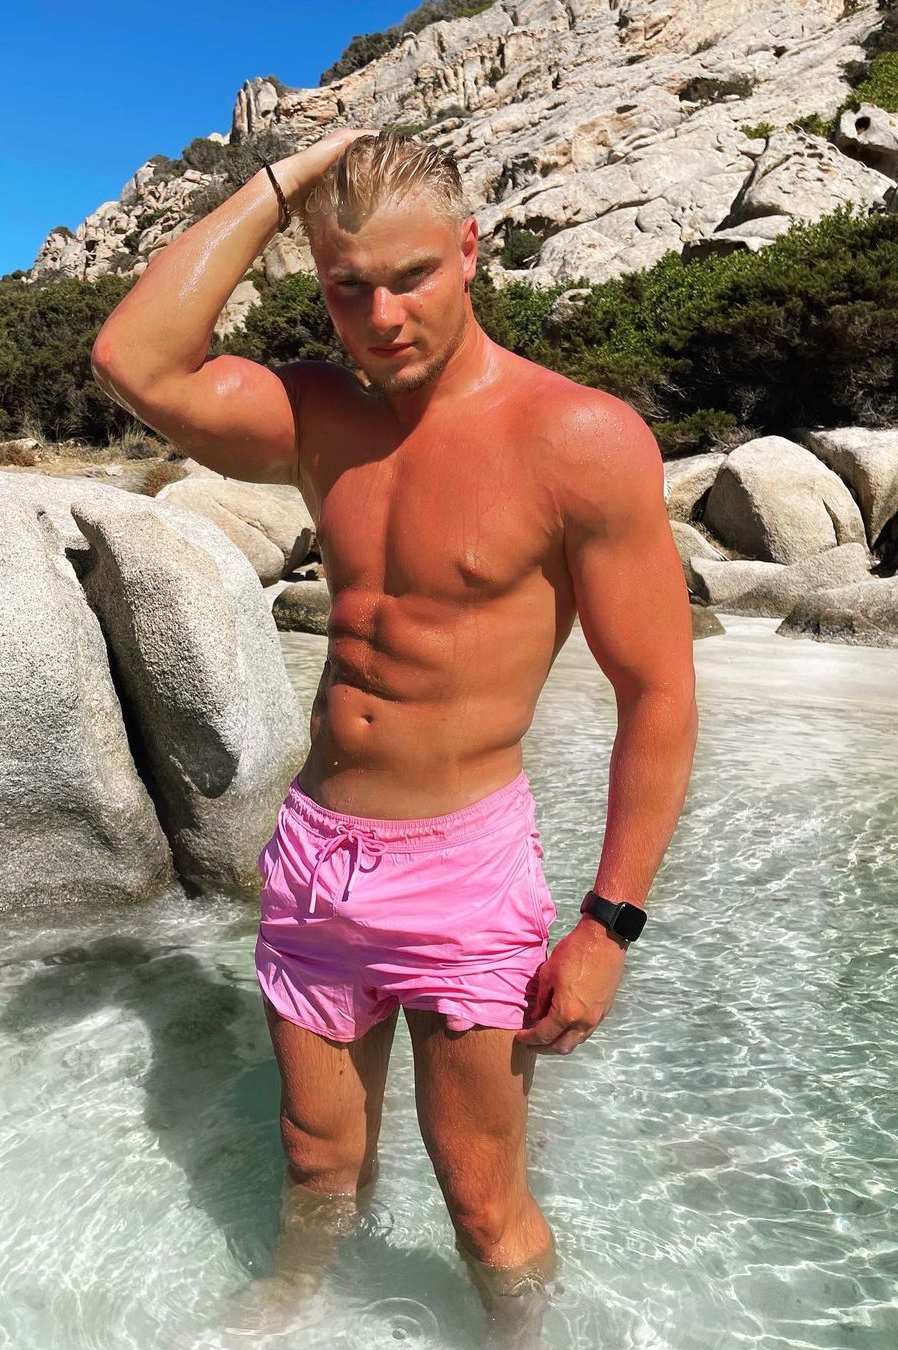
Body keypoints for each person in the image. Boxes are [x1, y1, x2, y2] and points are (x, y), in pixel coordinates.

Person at [91, 127, 699, 1341]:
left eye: (411, 277)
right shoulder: (320, 418)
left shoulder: (577, 437)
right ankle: (293, 1305)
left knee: (483, 1206)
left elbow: (659, 695)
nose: (380, 317)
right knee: (317, 1163)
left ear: (470, 250)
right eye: (346, 287)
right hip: (316, 859)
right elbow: (133, 358)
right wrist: (286, 181)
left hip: (464, 868)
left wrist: (609, 924)